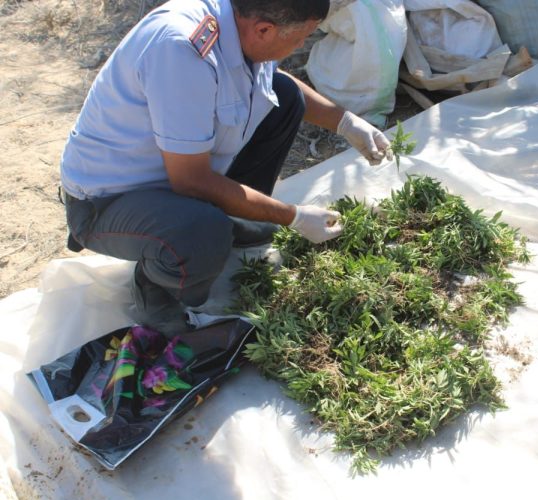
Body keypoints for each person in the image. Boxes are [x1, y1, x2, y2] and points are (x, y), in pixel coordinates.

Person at [59, 0, 392, 334]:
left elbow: (269, 78)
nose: (301, 45)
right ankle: (156, 286)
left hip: (175, 171)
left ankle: (238, 222)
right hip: (108, 200)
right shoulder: (182, 52)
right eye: (299, 38)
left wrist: (345, 122)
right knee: (202, 232)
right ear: (264, 30)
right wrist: (293, 216)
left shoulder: (242, 20)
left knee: (286, 97)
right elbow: (191, 181)